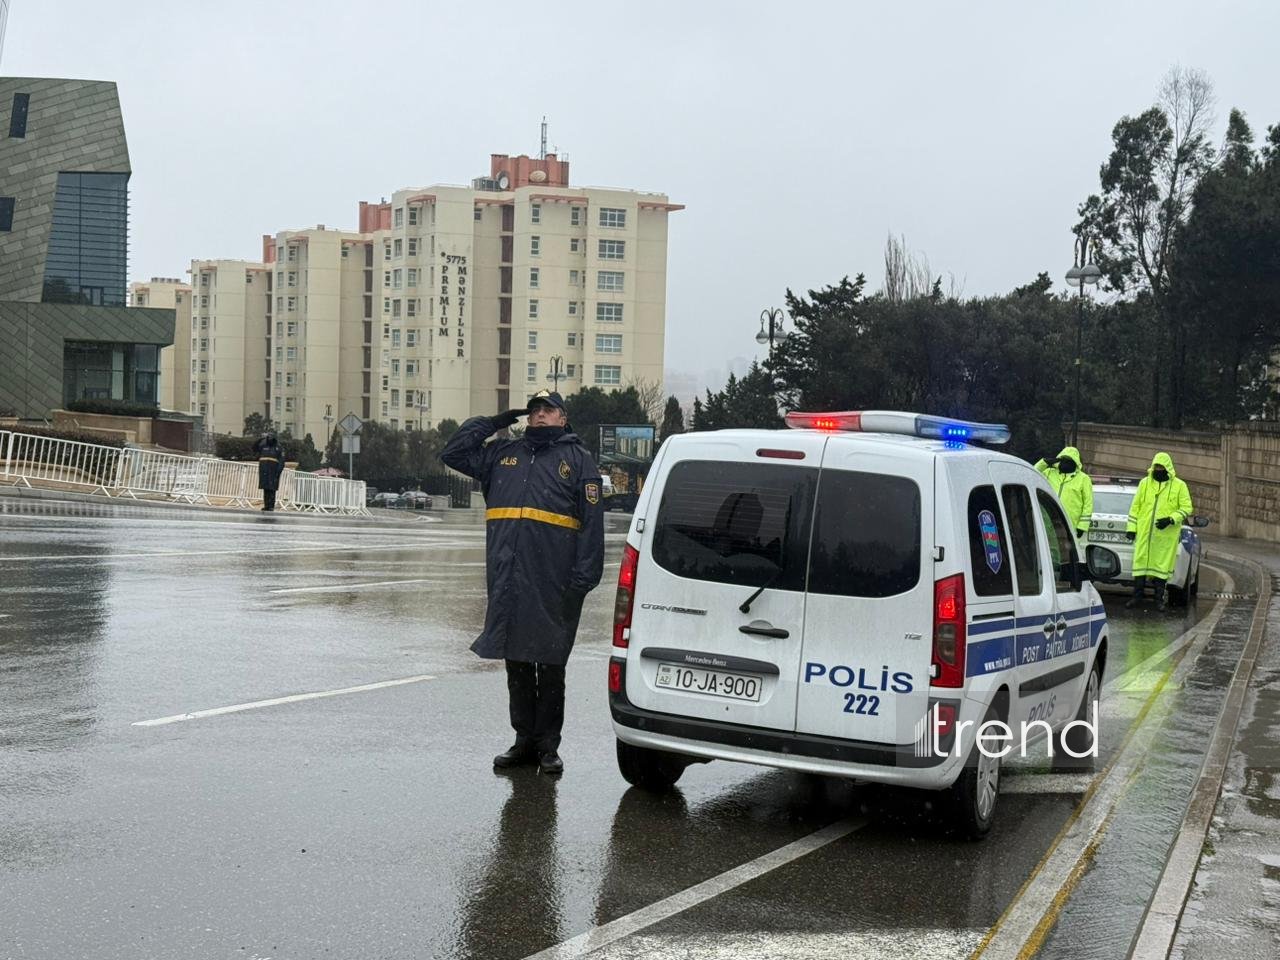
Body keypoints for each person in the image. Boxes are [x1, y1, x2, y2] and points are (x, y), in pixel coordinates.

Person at [441, 390, 605, 776]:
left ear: (563, 418)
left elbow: (591, 525)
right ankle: (523, 741)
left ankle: (548, 746)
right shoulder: (503, 454)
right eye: (534, 411)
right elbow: (453, 453)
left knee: (549, 665)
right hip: (510, 577)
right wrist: (496, 422)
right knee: (516, 662)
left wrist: (583, 581)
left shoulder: (578, 460)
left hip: (556, 582)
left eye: (548, 410)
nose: (539, 416)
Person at [1125, 452, 1193, 611]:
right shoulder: (1145, 483)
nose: (1159, 470)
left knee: (1161, 569)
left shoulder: (1179, 486)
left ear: (1168, 468)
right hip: (1144, 535)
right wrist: (1131, 528)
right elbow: (1135, 507)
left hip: (1165, 537)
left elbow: (1186, 507)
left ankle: (1158, 600)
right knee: (1140, 566)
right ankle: (1137, 597)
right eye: (1156, 467)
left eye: (1162, 467)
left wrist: (1171, 519)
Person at [1035, 445, 1094, 540]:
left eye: (1069, 460)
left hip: (1069, 524)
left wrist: (1082, 526)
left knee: (1065, 552)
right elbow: (1031, 474)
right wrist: (1043, 463)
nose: (1066, 463)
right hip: (1046, 519)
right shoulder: (1049, 472)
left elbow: (1088, 504)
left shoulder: (1083, 479)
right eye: (1064, 459)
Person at [253, 433, 284, 512]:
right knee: (266, 489)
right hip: (264, 470)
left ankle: (271, 506)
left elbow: (281, 461)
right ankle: (266, 505)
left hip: (273, 471)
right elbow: (254, 448)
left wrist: (278, 472)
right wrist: (260, 439)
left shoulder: (278, 447)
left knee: (272, 489)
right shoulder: (263, 445)